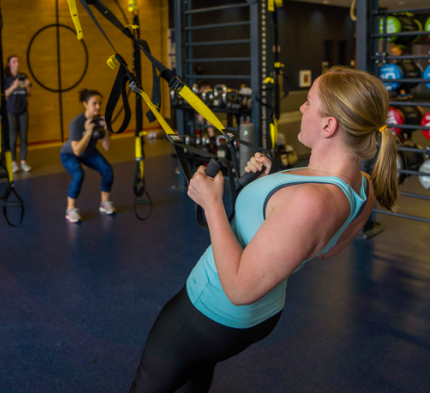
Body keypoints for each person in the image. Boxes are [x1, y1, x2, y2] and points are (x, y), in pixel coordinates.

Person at [129, 66, 398, 393]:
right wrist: (274, 185)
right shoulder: (361, 186)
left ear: (329, 125)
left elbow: (240, 291)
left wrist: (211, 203)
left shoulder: (310, 201)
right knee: (197, 367)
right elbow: (325, 248)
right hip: (260, 315)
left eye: (309, 102)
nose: (301, 108)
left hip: (212, 311)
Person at [60, 89, 116, 223]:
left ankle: (105, 202)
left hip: (89, 152)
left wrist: (106, 129)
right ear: (85, 104)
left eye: (99, 103)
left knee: (107, 170)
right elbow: (77, 151)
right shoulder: (76, 123)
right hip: (69, 154)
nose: (98, 106)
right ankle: (70, 209)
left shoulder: (100, 120)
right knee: (79, 174)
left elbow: (107, 147)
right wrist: (89, 132)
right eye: (94, 103)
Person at [4, 55, 32, 173]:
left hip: (23, 110)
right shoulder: (6, 78)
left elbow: (29, 94)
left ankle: (23, 162)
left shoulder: (23, 76)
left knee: (24, 137)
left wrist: (27, 86)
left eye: (17, 61)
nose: (16, 63)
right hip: (11, 111)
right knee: (12, 138)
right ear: (9, 64)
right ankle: (13, 163)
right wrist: (14, 86)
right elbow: (5, 94)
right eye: (14, 61)